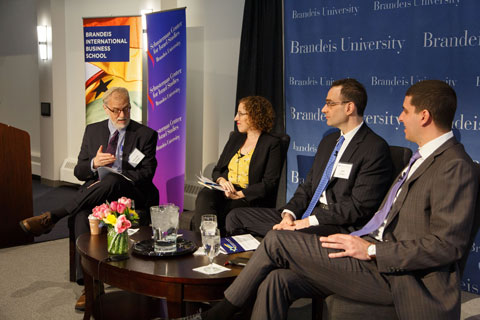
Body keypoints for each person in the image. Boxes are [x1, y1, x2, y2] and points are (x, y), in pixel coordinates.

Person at [187, 80, 478, 320]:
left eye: (404, 111)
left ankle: (218, 314)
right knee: (277, 281)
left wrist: (372, 251)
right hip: (366, 252)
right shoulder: (418, 159)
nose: (399, 117)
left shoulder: (454, 165)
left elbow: (447, 246)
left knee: (277, 241)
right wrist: (292, 215)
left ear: (424, 116)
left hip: (399, 277)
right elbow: (312, 187)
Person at [19, 86, 159, 309]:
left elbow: (146, 173)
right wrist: (94, 163)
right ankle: (91, 285)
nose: (122, 115)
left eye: (126, 109)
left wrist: (115, 175)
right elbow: (79, 171)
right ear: (105, 109)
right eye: (116, 110)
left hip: (132, 194)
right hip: (99, 193)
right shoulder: (93, 131)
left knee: (111, 181)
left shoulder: (145, 135)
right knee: (83, 215)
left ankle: (53, 217)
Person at [226, 78, 393, 237]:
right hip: (306, 215)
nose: (323, 109)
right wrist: (289, 215)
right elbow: (308, 187)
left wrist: (309, 222)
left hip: (335, 225)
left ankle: (274, 250)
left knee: (282, 236)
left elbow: (358, 207)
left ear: (349, 108)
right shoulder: (328, 142)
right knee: (236, 217)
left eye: (330, 104)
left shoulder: (374, 148)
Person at [193, 96, 283, 233]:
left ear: (255, 115)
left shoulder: (272, 144)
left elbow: (269, 183)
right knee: (205, 195)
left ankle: (216, 242)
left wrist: (239, 194)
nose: (236, 118)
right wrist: (221, 180)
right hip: (225, 190)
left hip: (247, 196)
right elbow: (217, 170)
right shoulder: (236, 138)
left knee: (229, 210)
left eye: (240, 114)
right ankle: (205, 240)